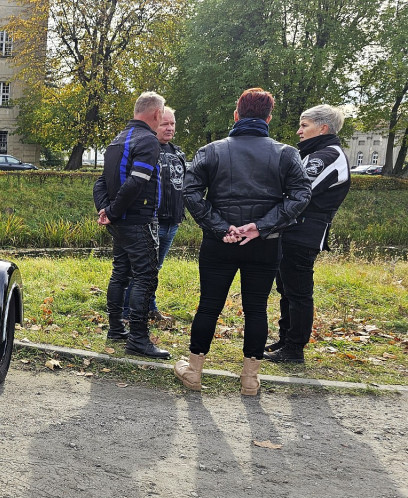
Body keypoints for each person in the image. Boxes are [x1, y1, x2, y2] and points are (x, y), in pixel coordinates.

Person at [174, 88, 312, 396]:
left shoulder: (211, 150)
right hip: (264, 244)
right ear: (268, 118)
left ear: (236, 115)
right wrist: (260, 227)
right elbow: (302, 195)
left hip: (220, 241)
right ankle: (250, 378)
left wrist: (221, 226)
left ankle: (194, 372)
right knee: (256, 308)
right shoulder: (286, 153)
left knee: (208, 305)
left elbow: (190, 192)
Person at [265, 104, 351, 364]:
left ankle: (294, 348)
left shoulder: (326, 156)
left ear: (322, 128)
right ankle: (285, 338)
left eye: (305, 125)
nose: (298, 131)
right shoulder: (314, 153)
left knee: (299, 291)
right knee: (286, 289)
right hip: (291, 229)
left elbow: (300, 190)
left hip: (304, 232)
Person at [93, 91, 170, 359]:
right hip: (138, 220)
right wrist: (112, 211)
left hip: (120, 222)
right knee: (145, 276)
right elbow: (137, 183)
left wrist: (105, 209)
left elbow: (100, 182)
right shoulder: (148, 141)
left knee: (120, 272)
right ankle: (138, 338)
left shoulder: (116, 140)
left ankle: (115, 329)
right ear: (157, 114)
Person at [123, 106, 186, 322]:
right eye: (165, 124)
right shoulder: (146, 150)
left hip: (172, 222)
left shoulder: (178, 153)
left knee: (155, 269)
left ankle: (149, 308)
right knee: (140, 270)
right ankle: (127, 312)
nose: (169, 128)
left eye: (173, 124)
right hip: (150, 221)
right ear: (154, 123)